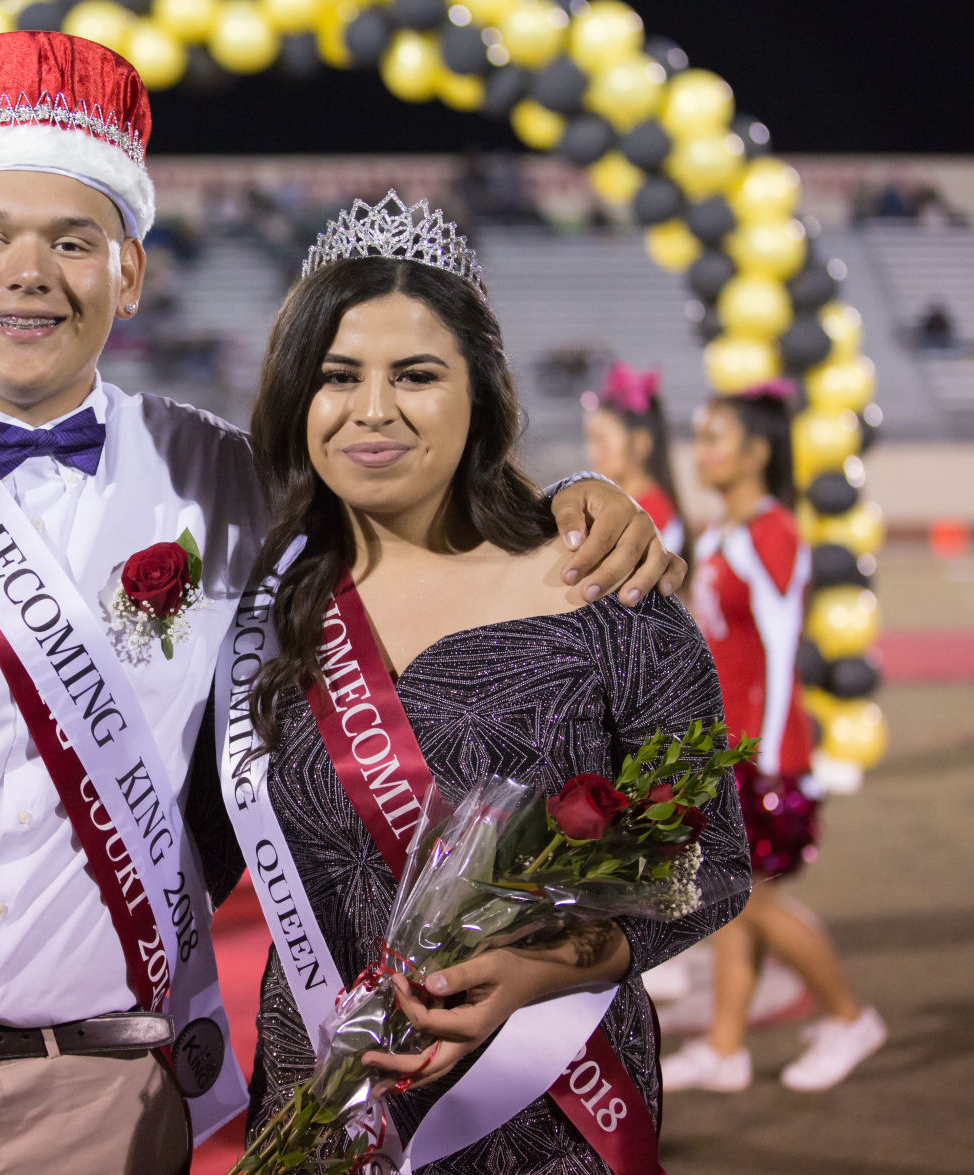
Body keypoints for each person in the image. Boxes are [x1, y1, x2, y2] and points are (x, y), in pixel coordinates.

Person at [0, 34, 683, 1175]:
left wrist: (568, 503)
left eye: (72, 240)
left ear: (130, 272)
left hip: (106, 1114)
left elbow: (408, 492)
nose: (28, 273)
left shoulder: (220, 478)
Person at [222, 194, 750, 1172]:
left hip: (551, 1112)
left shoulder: (608, 595)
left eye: (416, 375)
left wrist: (547, 964)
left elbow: (710, 861)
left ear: (482, 394)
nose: (371, 409)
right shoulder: (261, 606)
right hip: (319, 1114)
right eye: (337, 375)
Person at [660, 382, 886, 1093]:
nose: (701, 451)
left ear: (757, 451)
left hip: (760, 755)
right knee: (732, 898)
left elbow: (785, 652)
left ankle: (849, 1017)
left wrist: (769, 759)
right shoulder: (721, 533)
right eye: (699, 436)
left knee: (754, 900)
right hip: (725, 748)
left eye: (715, 437)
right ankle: (724, 1048)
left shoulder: (772, 532)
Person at [582, 359, 684, 557]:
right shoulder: (620, 507)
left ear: (640, 442)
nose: (592, 453)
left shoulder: (651, 515)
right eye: (589, 440)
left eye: (601, 440)